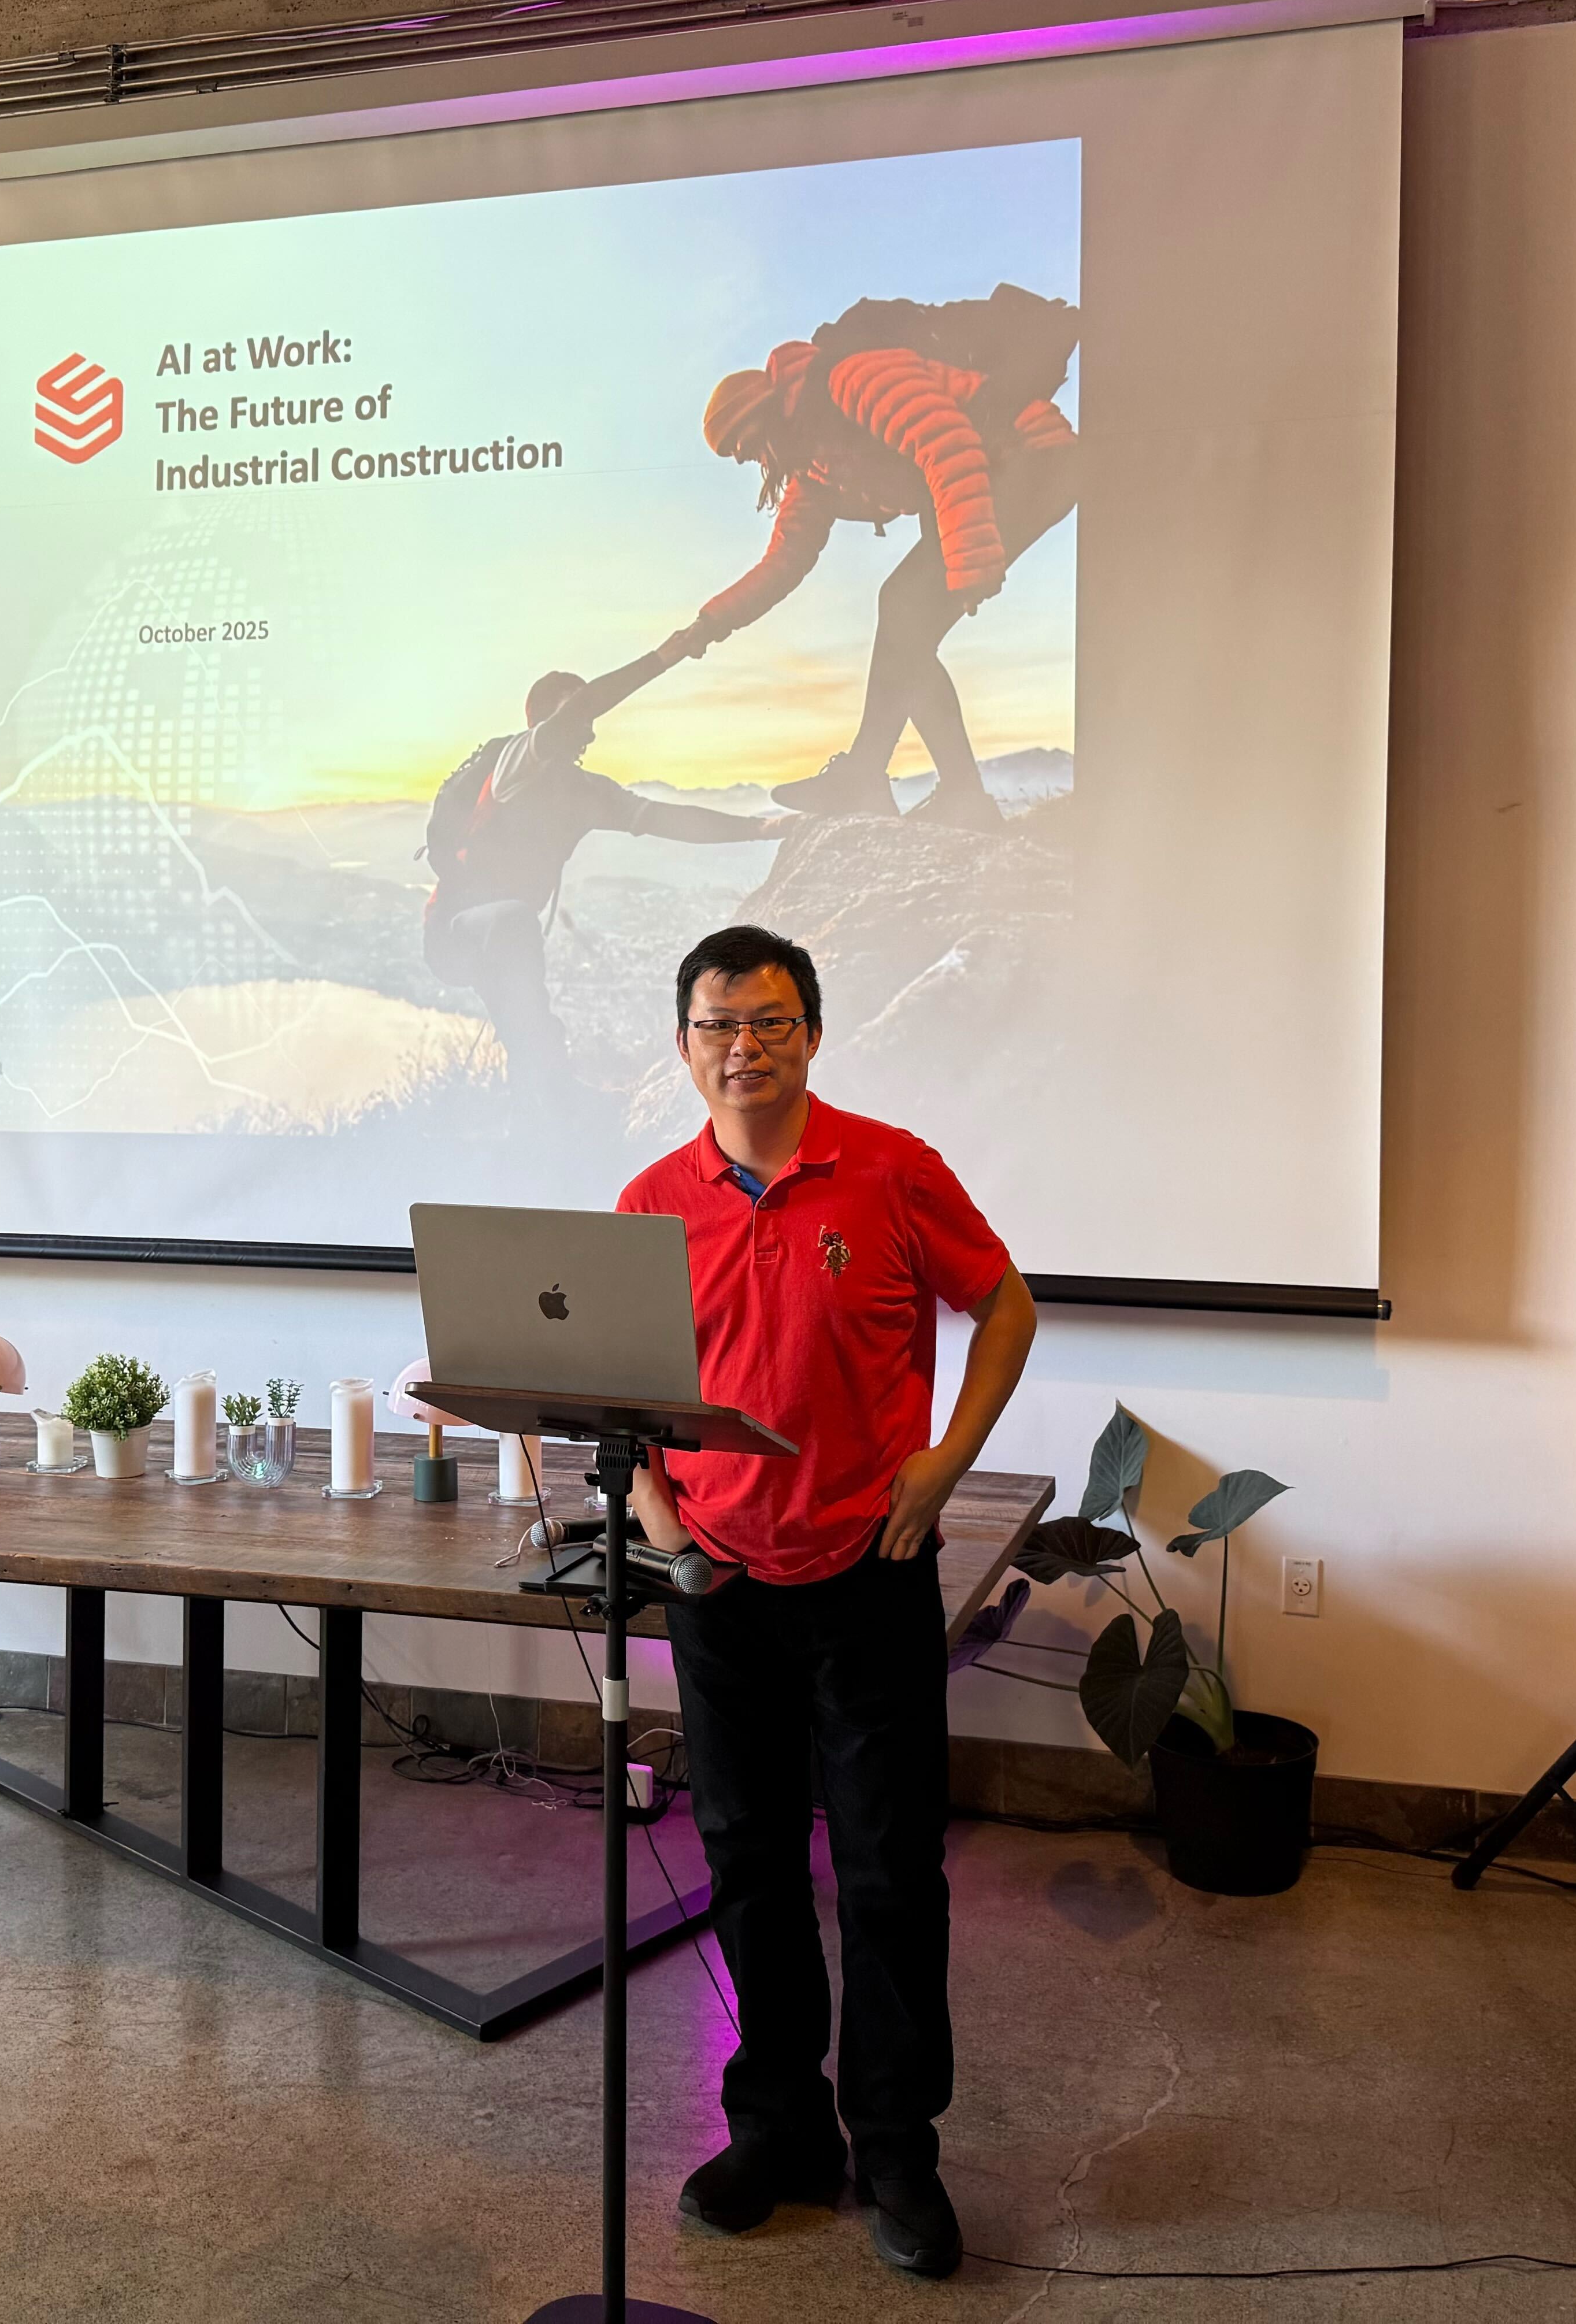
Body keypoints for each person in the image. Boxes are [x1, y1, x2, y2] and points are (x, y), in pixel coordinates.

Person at [617, 921, 1038, 2280]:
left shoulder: (892, 1172)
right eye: (718, 1024)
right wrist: (663, 1522)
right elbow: (621, 1399)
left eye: (771, 1020)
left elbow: (1008, 1305)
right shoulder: (648, 1204)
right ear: (686, 1048)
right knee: (746, 1864)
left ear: (811, 1032)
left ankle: (898, 2149)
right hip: (719, 1587)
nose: (745, 1045)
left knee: (888, 1873)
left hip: (869, 1576)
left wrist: (945, 1464)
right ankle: (782, 2129)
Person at [690, 287, 1082, 833]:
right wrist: (711, 622)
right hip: (989, 479)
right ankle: (929, 790)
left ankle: (887, 781)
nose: (753, 459)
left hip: (1032, 455)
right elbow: (784, 562)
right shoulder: (814, 468)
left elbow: (946, 441)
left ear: (767, 414)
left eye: (749, 444)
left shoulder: (850, 378)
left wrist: (971, 563)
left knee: (902, 611)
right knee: (905, 621)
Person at [420, 635, 795, 1096]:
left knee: (531, 1031)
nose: (589, 730)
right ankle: (546, 1110)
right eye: (579, 715)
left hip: (501, 938)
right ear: (544, 719)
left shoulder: (584, 793)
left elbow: (662, 818)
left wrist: (760, 827)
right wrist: (667, 655)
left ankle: (544, 1110)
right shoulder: (513, 764)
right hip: (455, 935)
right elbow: (582, 708)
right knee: (517, 934)